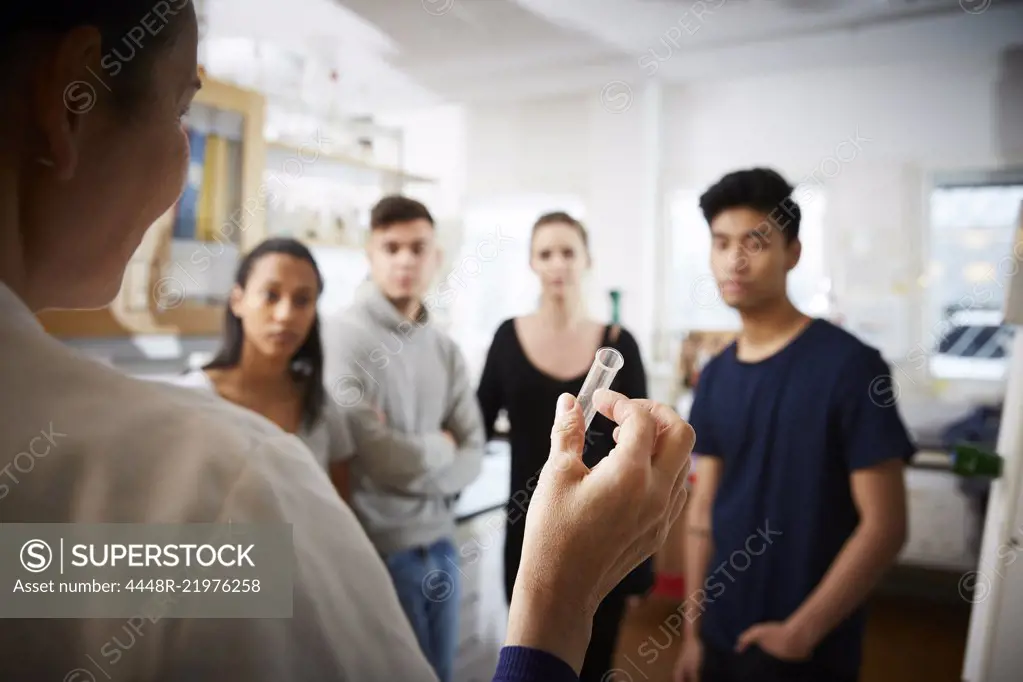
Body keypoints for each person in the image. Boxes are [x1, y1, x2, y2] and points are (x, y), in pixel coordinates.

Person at [0, 2, 693, 680]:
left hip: (435, 550)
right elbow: (383, 455)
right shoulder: (229, 482)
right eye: (182, 109)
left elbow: (43, 584)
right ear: (73, 98)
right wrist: (556, 598)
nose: (286, 316)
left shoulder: (168, 487)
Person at [673, 168, 912, 682]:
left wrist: (801, 632)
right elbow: (702, 513)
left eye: (754, 242)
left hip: (807, 648)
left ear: (793, 252)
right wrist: (692, 633)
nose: (734, 259)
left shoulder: (851, 367)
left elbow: (886, 525)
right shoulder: (714, 376)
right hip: (719, 637)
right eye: (721, 243)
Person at [476, 211, 657, 681]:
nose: (557, 263)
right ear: (532, 263)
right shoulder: (506, 337)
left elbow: (643, 450)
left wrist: (640, 559)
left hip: (603, 523)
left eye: (568, 252)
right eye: (545, 253)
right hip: (525, 524)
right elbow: (473, 422)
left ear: (587, 261)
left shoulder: (620, 345)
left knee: (595, 662)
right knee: (530, 657)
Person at [320, 194, 485, 682]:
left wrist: (414, 459)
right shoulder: (340, 336)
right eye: (391, 247)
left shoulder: (445, 348)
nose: (405, 260)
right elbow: (375, 455)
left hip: (443, 545)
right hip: (381, 551)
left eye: (418, 247)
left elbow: (473, 453)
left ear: (437, 256)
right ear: (370, 254)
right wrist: (440, 447)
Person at [174, 237, 354, 499]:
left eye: (302, 300)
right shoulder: (193, 398)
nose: (285, 314)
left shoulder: (320, 404)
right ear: (238, 300)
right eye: (270, 295)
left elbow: (340, 502)